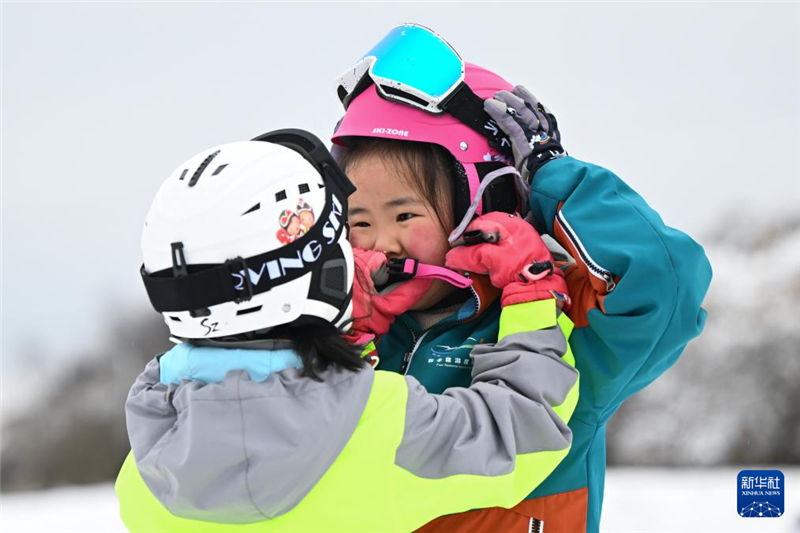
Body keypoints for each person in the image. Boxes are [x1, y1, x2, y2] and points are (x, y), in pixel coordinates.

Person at [330, 24, 713, 533]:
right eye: (360, 221)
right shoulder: (334, 334)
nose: (381, 244)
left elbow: (664, 283)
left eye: (404, 217)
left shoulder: (565, 328)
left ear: (483, 204)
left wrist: (554, 176)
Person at [115, 129, 580, 532]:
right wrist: (531, 293)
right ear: (329, 276)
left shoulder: (145, 472)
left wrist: (347, 345)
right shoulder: (380, 425)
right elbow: (523, 430)